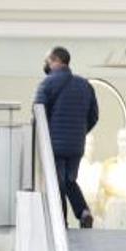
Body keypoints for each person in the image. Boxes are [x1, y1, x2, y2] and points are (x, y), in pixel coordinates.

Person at [35, 46, 99, 229]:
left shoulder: (46, 84)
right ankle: (83, 212)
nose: (46, 65)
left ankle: (60, 221)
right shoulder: (85, 85)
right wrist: (79, 133)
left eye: (47, 61)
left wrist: (41, 138)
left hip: (53, 144)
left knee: (57, 183)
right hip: (76, 145)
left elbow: (38, 115)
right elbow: (94, 116)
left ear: (55, 61)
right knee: (70, 180)